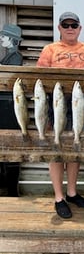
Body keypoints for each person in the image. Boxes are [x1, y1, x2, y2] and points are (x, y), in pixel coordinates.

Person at [36, 11, 84, 219]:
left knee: (74, 149)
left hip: (82, 103)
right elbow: (40, 79)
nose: (70, 28)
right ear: (59, 28)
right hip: (56, 102)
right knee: (57, 150)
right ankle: (59, 197)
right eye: (66, 25)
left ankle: (71, 192)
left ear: (80, 28)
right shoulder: (49, 49)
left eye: (74, 25)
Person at [0, 24, 23, 197]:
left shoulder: (15, 57)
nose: (1, 38)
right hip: (5, 106)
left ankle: (12, 189)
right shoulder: (7, 56)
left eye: (4, 36)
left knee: (11, 146)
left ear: (12, 40)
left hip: (9, 108)